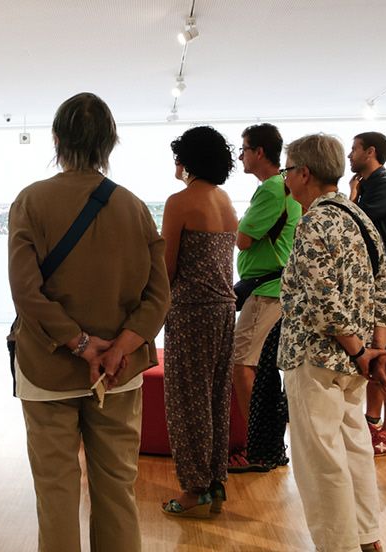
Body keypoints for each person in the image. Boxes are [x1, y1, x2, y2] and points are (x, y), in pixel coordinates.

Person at [8, 92, 169, 551]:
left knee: (56, 492)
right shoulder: (135, 208)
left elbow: (25, 292)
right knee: (117, 489)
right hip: (119, 374)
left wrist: (80, 344)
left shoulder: (31, 201)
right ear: (110, 143)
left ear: (56, 140)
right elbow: (159, 296)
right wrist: (118, 347)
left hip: (47, 368)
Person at [278, 133, 386, 552]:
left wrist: (361, 350)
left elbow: (319, 298)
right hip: (353, 361)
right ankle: (368, 540)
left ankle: (339, 547)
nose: (285, 179)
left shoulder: (314, 220)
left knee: (321, 463)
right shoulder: (357, 215)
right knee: (354, 451)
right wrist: (373, 347)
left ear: (304, 173)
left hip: (316, 357)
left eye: (287, 170)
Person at [159, 126, 238, 517]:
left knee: (187, 401)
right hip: (225, 309)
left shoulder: (179, 202)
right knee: (216, 398)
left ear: (186, 159)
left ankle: (194, 489)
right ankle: (216, 481)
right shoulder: (225, 200)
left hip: (191, 312)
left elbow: (166, 268)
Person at [230, 123, 301, 471]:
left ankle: (258, 447)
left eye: (243, 149)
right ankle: (269, 445)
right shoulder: (280, 188)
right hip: (272, 288)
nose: (240, 155)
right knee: (263, 369)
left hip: (267, 290)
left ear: (259, 152)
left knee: (243, 364)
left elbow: (242, 239)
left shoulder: (272, 189)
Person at [347, 131, 386, 457]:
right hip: (368, 288)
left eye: (354, 148)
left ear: (370, 151)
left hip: (379, 288)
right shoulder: (371, 186)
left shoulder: (384, 186)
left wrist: (353, 195)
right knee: (376, 355)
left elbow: (356, 225)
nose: (349, 154)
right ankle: (374, 425)